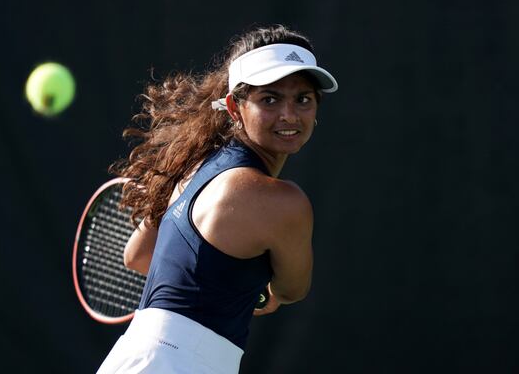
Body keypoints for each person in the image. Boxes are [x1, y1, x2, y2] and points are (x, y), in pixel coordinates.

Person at [97, 25, 338, 374]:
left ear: (316, 108)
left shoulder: (190, 165)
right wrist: (264, 293)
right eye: (269, 99)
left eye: (303, 99)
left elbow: (137, 255)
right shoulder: (282, 201)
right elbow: (291, 288)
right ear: (234, 107)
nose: (289, 114)